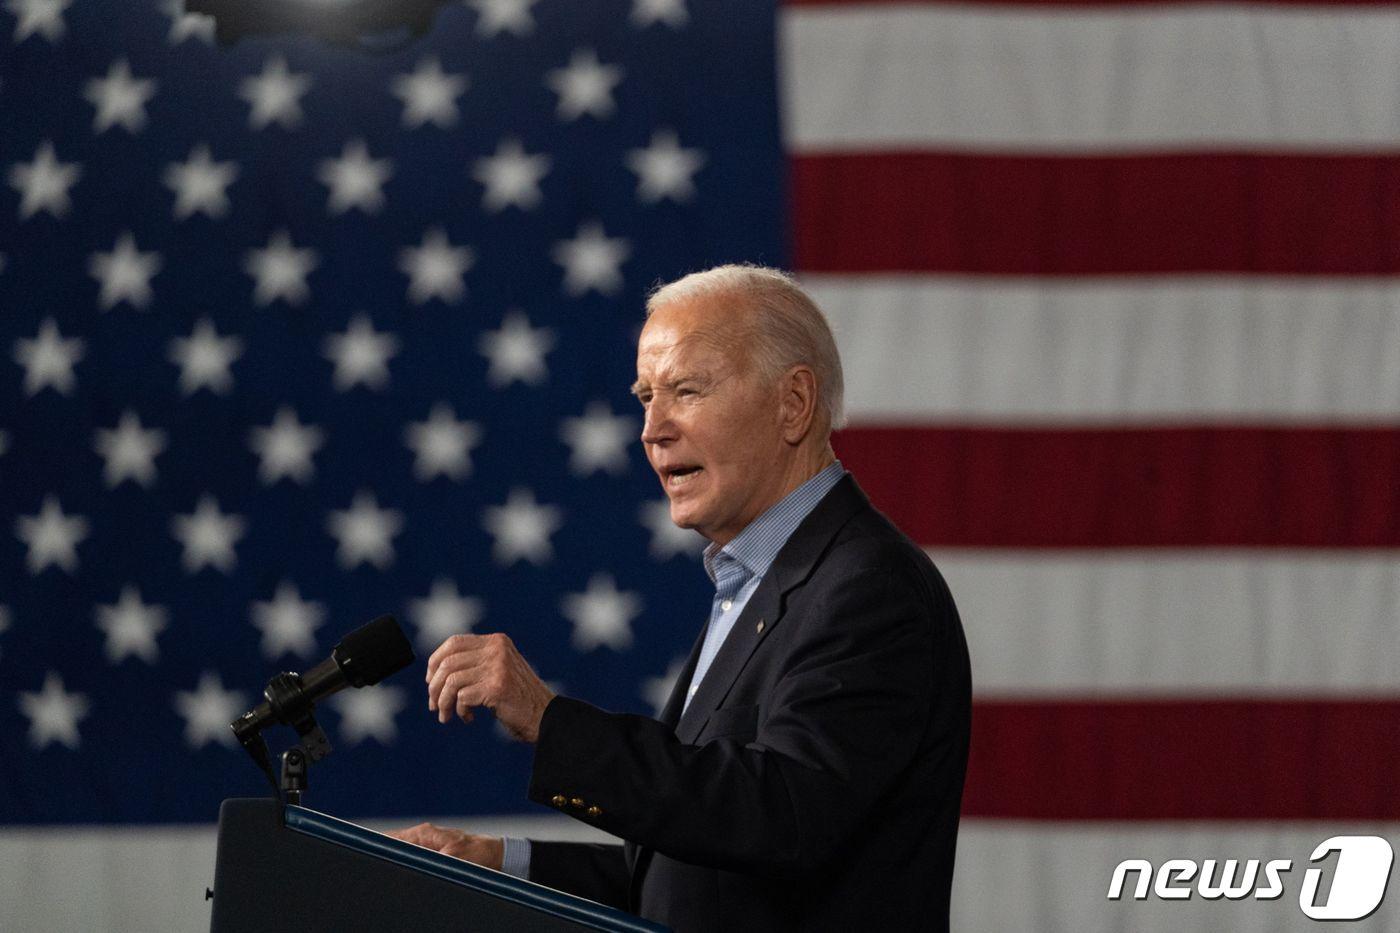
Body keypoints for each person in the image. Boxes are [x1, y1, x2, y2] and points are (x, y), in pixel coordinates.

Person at [390, 265, 971, 931]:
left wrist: (551, 721)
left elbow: (780, 816)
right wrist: (498, 860)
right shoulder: (757, 583)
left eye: (686, 390)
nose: (652, 429)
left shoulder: (868, 586)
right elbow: (695, 884)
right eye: (645, 396)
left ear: (794, 404)